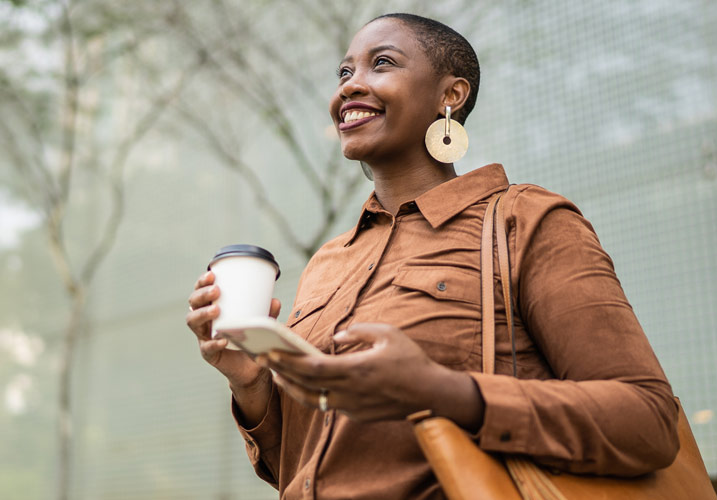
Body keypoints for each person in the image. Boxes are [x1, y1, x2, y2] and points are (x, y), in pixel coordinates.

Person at [185, 13, 679, 499]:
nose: (350, 86)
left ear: (450, 95)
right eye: (343, 72)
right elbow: (303, 469)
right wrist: (251, 385)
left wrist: (440, 390)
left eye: (382, 63)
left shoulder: (525, 221)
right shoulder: (327, 263)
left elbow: (648, 420)